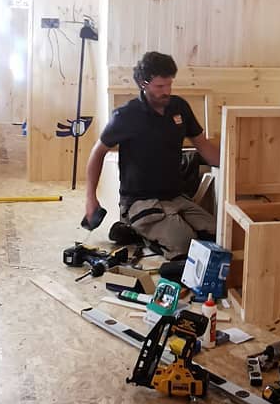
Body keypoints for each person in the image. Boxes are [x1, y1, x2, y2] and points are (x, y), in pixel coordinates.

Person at [84, 50, 220, 261]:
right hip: (140, 201)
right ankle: (135, 230)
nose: (166, 91)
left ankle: (153, 230)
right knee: (184, 244)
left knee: (215, 234)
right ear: (143, 83)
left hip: (175, 196)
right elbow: (98, 152)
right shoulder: (126, 116)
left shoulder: (179, 107)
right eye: (160, 86)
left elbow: (203, 145)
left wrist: (232, 167)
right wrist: (90, 198)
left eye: (169, 84)